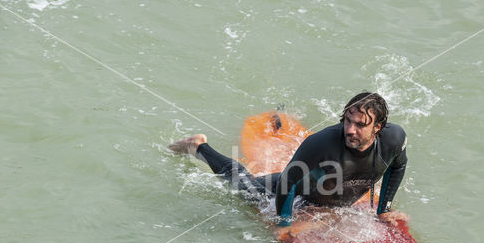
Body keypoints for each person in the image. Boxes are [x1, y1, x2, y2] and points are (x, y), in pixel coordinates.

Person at [168, 92, 409, 226]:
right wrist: (284, 222)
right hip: (297, 195)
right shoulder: (322, 143)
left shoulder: (394, 139)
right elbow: (286, 184)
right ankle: (198, 146)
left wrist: (383, 210)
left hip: (330, 186)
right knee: (243, 186)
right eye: (347, 120)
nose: (350, 129)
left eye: (360, 125)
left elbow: (398, 166)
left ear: (378, 127)